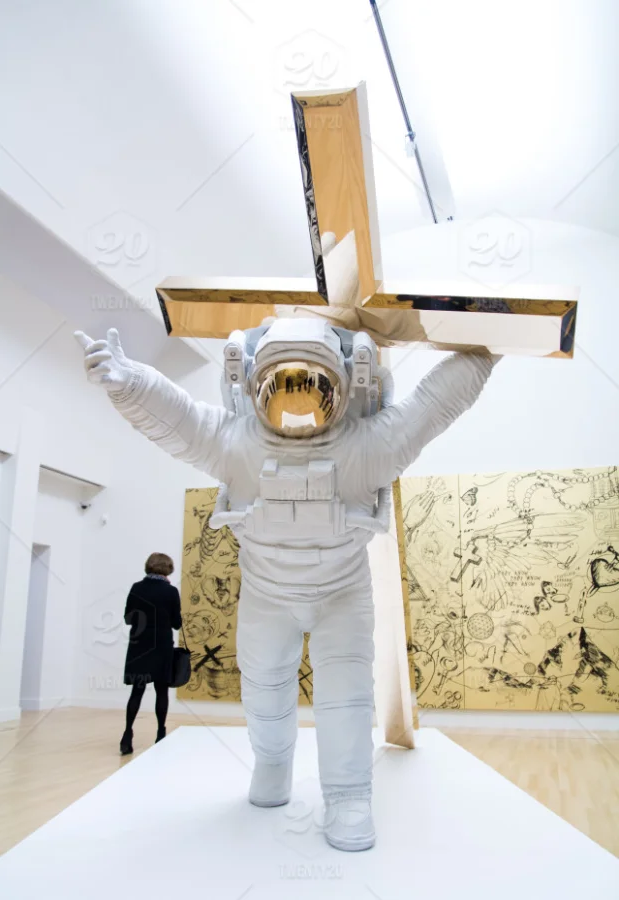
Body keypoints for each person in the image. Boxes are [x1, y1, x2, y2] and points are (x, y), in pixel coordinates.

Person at [75, 319, 499, 851]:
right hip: (267, 596)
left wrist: (489, 348)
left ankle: (348, 796)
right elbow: (175, 415)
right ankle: (273, 765)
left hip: (341, 594)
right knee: (264, 694)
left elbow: (436, 404)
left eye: (311, 383)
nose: (298, 400)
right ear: (253, 382)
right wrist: (127, 381)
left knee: (346, 700)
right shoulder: (238, 443)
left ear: (344, 381)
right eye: (284, 384)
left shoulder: (364, 445)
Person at [120, 552, 182, 755]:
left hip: (139, 646)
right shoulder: (171, 591)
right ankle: (160, 733)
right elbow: (177, 624)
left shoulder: (137, 588)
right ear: (168, 569)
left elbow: (128, 618)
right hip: (161, 646)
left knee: (136, 691)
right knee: (161, 691)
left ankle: (127, 734)